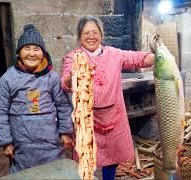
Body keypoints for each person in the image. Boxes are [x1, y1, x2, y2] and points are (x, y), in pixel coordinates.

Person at [61, 16, 155, 180]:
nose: (91, 36)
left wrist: (159, 56)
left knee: (112, 158)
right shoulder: (73, 57)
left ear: (101, 35)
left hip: (114, 116)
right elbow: (65, 84)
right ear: (79, 36)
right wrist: (73, 74)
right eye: (86, 33)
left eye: (95, 32)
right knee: (87, 159)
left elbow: (138, 58)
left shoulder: (114, 54)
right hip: (87, 120)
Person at [0, 24, 73, 173]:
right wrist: (5, 142)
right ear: (19, 52)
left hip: (51, 144)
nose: (32, 53)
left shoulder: (52, 77)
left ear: (43, 53)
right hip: (22, 146)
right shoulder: (8, 79)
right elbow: (0, 112)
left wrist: (66, 132)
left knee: (54, 173)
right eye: (27, 48)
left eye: (37, 49)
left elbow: (63, 105)